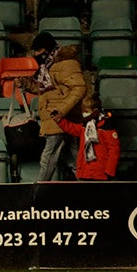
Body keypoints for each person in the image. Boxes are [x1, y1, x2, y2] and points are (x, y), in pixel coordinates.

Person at [17, 31, 87, 181]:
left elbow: (80, 88)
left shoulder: (66, 64)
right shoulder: (49, 65)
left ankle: (40, 190)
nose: (36, 54)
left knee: (48, 157)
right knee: (73, 159)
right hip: (58, 118)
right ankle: (85, 186)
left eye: (38, 50)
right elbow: (45, 89)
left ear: (46, 49)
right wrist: (25, 83)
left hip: (59, 118)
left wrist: (61, 111)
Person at [51, 96, 120, 181]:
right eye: (83, 111)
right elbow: (72, 128)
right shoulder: (85, 126)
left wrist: (109, 171)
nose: (84, 113)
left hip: (101, 173)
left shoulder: (106, 127)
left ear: (95, 111)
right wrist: (60, 120)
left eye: (86, 111)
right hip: (85, 171)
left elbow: (114, 150)